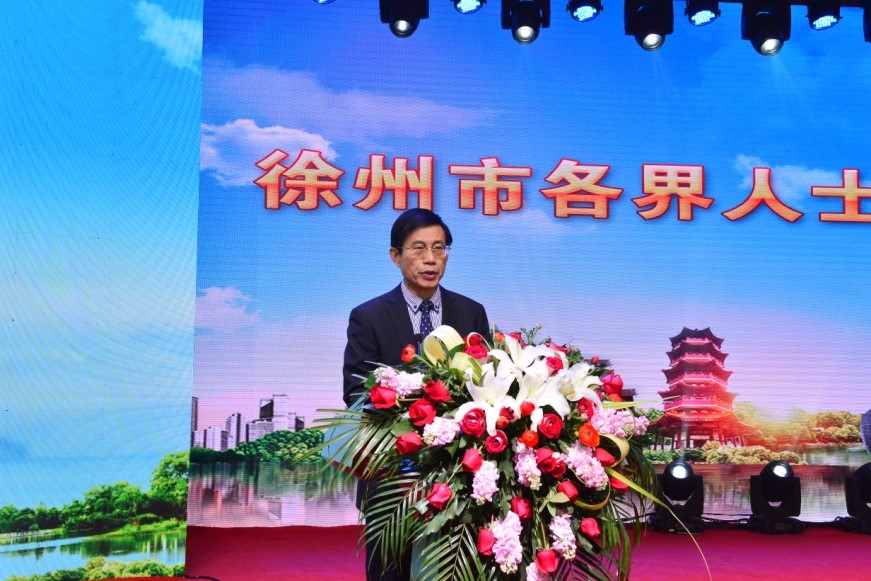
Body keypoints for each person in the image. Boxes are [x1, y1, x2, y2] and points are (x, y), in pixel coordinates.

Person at [342, 208, 491, 581]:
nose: (430, 258)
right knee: (390, 570)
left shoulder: (471, 312)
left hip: (458, 469)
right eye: (419, 248)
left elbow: (487, 381)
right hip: (393, 471)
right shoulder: (368, 316)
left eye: (439, 248)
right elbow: (355, 388)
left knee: (456, 567)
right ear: (396, 256)